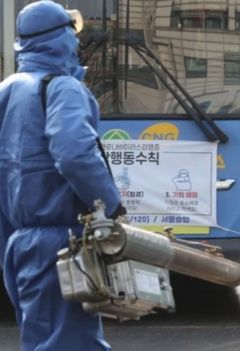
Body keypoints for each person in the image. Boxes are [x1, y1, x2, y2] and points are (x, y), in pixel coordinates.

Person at [0, 1, 124, 350]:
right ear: (62, 38)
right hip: (62, 243)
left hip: (19, 242)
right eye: (72, 33)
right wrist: (111, 206)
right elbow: (74, 154)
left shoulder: (9, 89)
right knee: (69, 342)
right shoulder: (62, 87)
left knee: (41, 338)